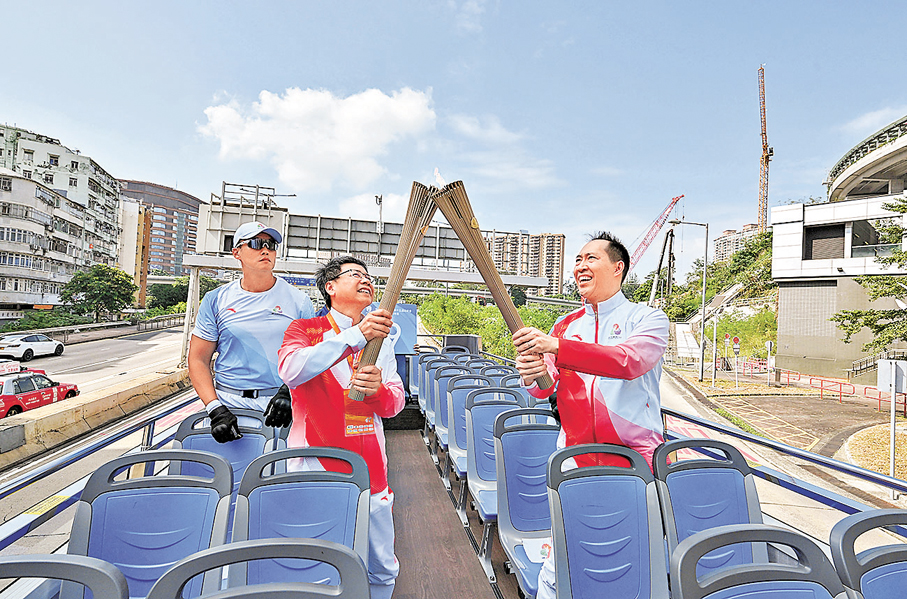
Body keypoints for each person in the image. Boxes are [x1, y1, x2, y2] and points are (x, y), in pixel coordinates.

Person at [511, 231, 669, 599]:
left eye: (591, 259)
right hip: (573, 459)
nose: (580, 266)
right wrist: (533, 374)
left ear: (618, 268)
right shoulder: (565, 326)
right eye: (578, 260)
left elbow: (628, 362)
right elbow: (543, 388)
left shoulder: (647, 319)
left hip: (635, 463)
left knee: (632, 561)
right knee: (562, 563)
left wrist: (557, 348)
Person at [277, 255, 404, 599]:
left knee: (382, 565)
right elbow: (291, 369)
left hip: (371, 465)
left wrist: (378, 392)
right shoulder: (304, 330)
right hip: (316, 464)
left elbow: (395, 403)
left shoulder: (383, 341)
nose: (366, 280)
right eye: (355, 274)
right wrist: (354, 336)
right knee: (319, 562)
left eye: (368, 276)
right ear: (330, 287)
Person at [188, 221, 314, 442]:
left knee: (278, 475)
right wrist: (215, 408)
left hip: (280, 406)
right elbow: (198, 359)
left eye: (271, 244)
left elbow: (310, 357)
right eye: (256, 243)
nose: (266, 250)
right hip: (229, 405)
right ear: (237, 252)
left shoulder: (299, 301)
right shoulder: (216, 299)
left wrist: (289, 392)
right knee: (228, 474)